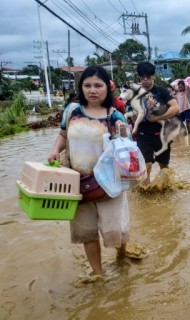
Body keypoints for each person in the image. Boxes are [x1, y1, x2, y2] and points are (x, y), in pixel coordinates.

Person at [47, 66, 131, 276]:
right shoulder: (72, 111)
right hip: (75, 183)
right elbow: (63, 135)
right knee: (87, 232)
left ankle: (122, 259)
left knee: (115, 230)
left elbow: (127, 152)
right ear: (81, 87)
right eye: (87, 85)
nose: (93, 90)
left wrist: (122, 136)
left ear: (107, 88)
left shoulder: (116, 116)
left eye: (98, 85)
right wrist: (55, 150)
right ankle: (99, 274)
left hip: (109, 184)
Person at [135, 61, 180, 183]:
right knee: (146, 166)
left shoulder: (162, 92)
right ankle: (146, 197)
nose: (145, 79)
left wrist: (157, 118)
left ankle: (165, 193)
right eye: (142, 76)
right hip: (143, 135)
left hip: (162, 135)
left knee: (164, 167)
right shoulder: (134, 93)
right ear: (139, 77)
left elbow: (175, 108)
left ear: (153, 76)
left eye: (148, 76)